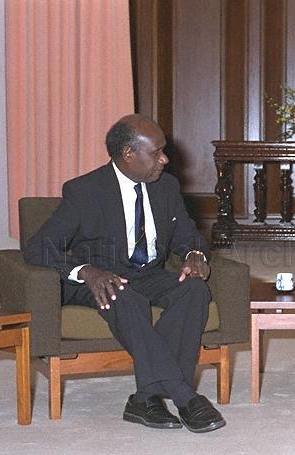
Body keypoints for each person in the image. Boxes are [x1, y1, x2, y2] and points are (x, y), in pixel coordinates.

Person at [25, 114, 225, 433]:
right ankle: (185, 396)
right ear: (128, 154)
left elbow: (187, 234)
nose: (165, 158)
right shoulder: (85, 191)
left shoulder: (166, 186)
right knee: (124, 296)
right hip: (100, 279)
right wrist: (86, 271)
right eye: (156, 152)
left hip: (147, 272)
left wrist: (194, 254)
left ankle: (145, 398)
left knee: (195, 289)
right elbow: (37, 247)